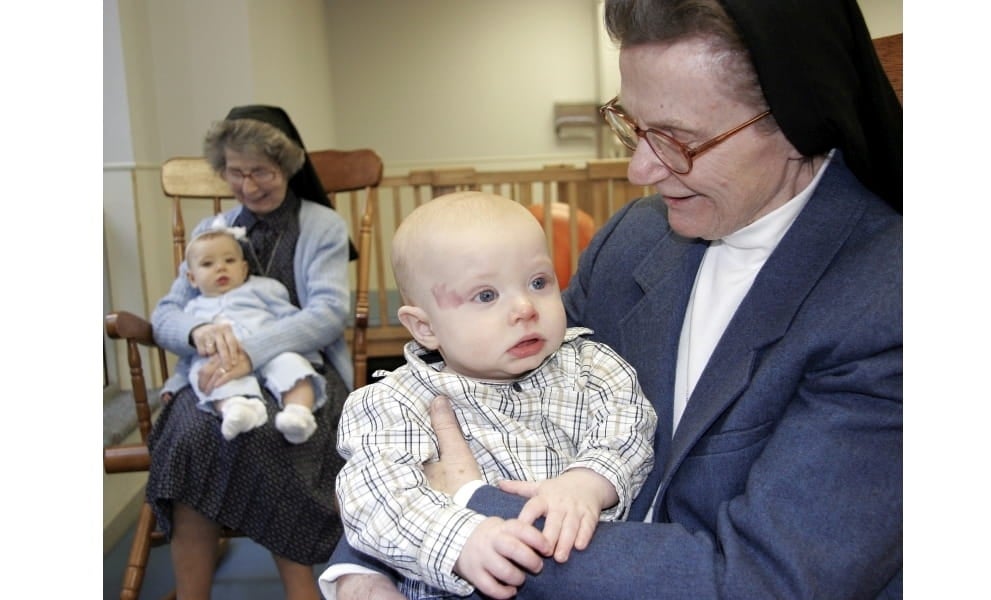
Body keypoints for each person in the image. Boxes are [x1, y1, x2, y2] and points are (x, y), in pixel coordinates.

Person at [322, 0, 902, 598]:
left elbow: (763, 581)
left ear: (798, 123)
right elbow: (491, 390)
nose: (639, 169)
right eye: (632, 126)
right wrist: (365, 565)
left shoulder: (888, 301)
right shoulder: (637, 237)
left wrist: (475, 505)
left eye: (676, 139)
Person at [334, 192, 657, 599]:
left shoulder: (592, 367)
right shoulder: (393, 403)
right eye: (486, 295)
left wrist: (589, 481)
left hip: (584, 580)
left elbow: (630, 428)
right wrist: (461, 539)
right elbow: (375, 497)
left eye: (538, 282)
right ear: (425, 327)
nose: (525, 307)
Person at [149, 105, 353, 600]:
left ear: (287, 166)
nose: (248, 185)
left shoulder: (321, 225)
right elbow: (166, 313)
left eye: (261, 171)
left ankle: (300, 589)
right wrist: (197, 331)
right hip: (214, 372)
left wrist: (250, 350)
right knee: (190, 436)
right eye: (235, 172)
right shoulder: (211, 229)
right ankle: (193, 592)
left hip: (302, 368)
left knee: (275, 434)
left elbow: (329, 313)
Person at [179, 219, 321, 444]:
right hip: (223, 362)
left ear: (244, 268)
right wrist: (176, 382)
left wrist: (305, 351)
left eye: (229, 260)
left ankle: (299, 413)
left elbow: (291, 319)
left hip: (270, 350)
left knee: (293, 366)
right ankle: (236, 408)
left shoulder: (262, 289)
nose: (220, 267)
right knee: (204, 375)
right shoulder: (192, 310)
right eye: (207, 264)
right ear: (192, 278)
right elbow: (186, 356)